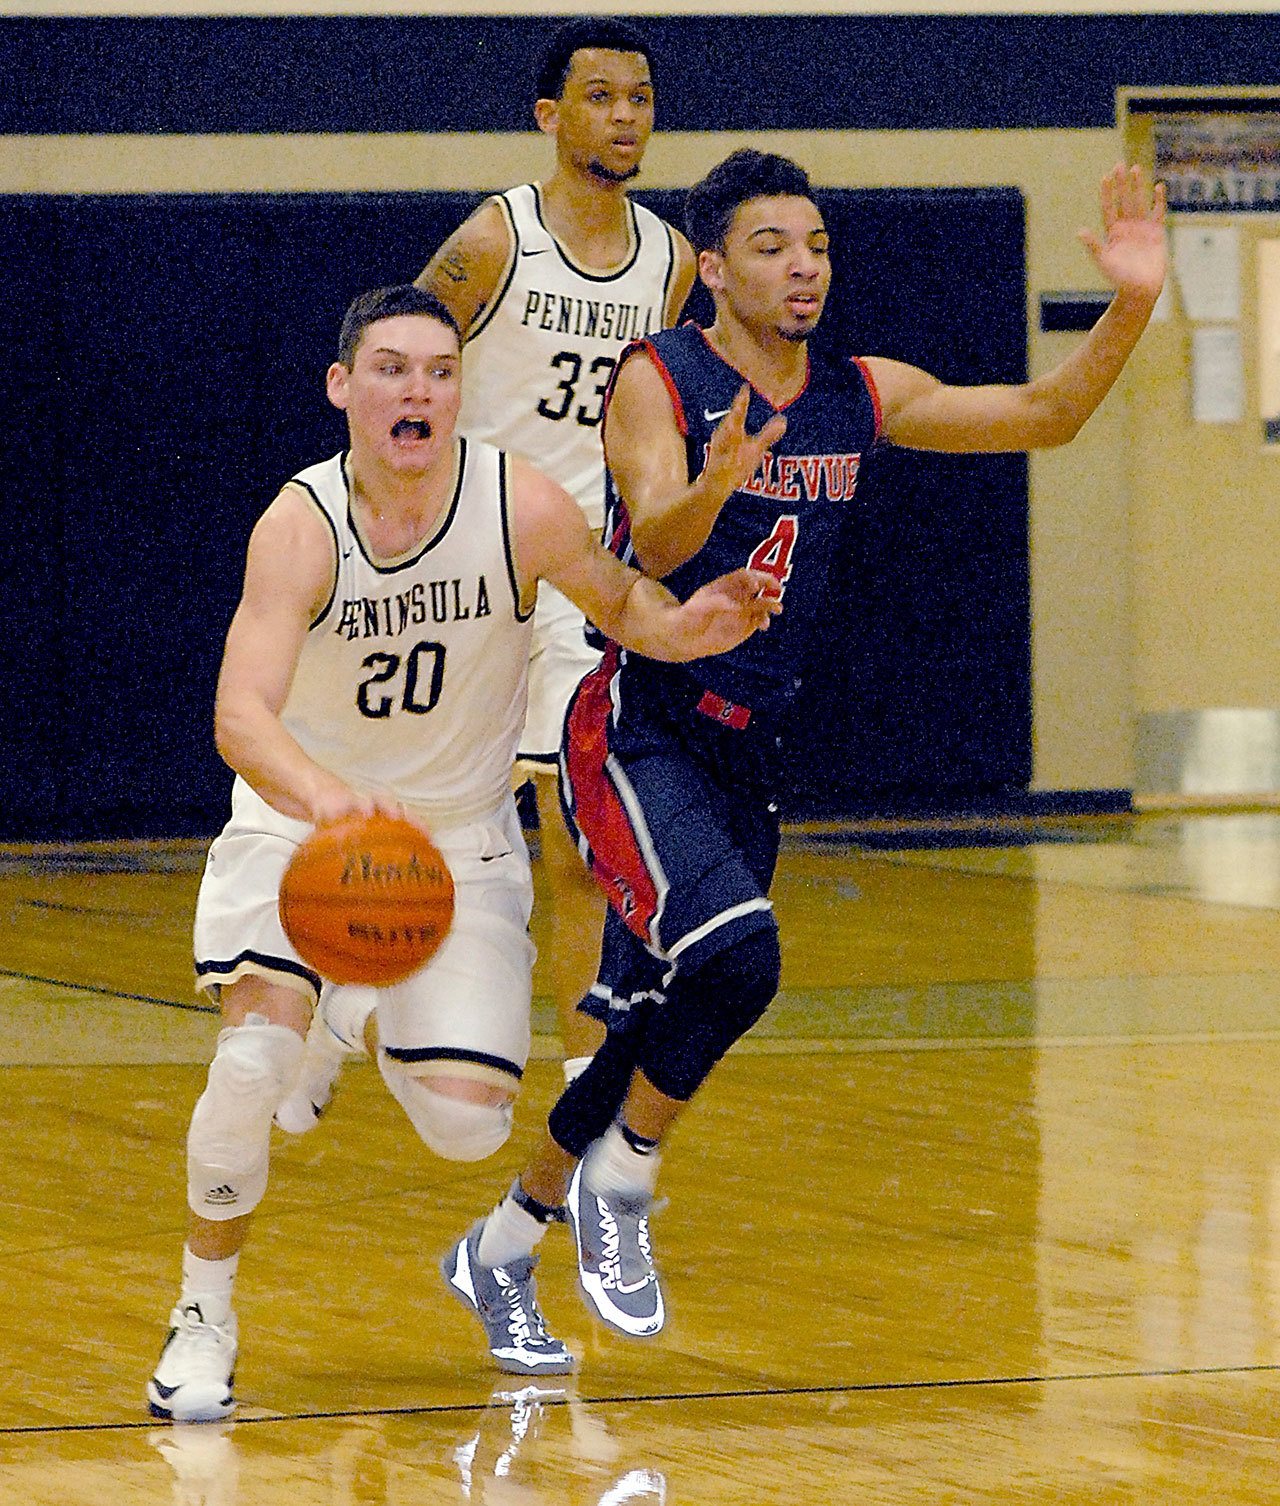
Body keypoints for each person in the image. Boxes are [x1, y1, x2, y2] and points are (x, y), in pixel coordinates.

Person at [445, 149, 1168, 1368]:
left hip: (748, 747)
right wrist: (713, 482)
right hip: (634, 722)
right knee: (740, 956)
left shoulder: (856, 392)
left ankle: (504, 1244)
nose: (803, 268)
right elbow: (652, 542)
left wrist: (1132, 302)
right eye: (772, 247)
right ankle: (621, 1183)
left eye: (817, 247)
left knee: (661, 1010)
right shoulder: (657, 376)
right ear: (713, 269)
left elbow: (1044, 416)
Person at [146, 283, 780, 1423]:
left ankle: (350, 1010)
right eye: (392, 368)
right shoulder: (300, 525)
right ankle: (203, 1314)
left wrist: (691, 628)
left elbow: (623, 604)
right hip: (306, 824)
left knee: (466, 1123)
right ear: (343, 387)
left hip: (457, 844)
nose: (419, 391)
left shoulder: (517, 503)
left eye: (440, 372)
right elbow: (240, 715)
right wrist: (331, 804)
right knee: (248, 1066)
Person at [270, 23, 696, 1132]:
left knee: (579, 842)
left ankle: (582, 1091)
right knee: (408, 825)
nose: (625, 116)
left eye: (640, 97)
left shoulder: (671, 261)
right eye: (600, 96)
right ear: (550, 117)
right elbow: (397, 366)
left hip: (577, 574)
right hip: (466, 561)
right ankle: (338, 1011)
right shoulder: (498, 239)